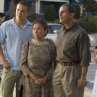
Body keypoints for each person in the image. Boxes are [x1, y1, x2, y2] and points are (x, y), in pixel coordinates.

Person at [53, 3, 91, 97]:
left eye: (63, 12)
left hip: (72, 71)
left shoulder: (81, 33)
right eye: (59, 13)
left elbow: (85, 58)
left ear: (71, 14)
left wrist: (82, 78)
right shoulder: (60, 32)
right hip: (58, 69)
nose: (60, 15)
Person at [0, 1, 32, 97]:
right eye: (18, 10)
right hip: (9, 68)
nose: (19, 12)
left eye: (22, 11)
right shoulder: (6, 25)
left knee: (22, 95)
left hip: (24, 70)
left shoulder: (31, 27)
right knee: (5, 94)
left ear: (27, 13)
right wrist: (4, 60)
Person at [20, 19, 56, 97]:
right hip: (30, 84)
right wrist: (34, 77)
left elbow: (54, 65)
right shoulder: (27, 45)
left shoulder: (51, 45)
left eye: (38, 28)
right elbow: (23, 65)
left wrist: (45, 79)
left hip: (47, 84)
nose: (35, 31)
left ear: (45, 30)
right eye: (33, 29)